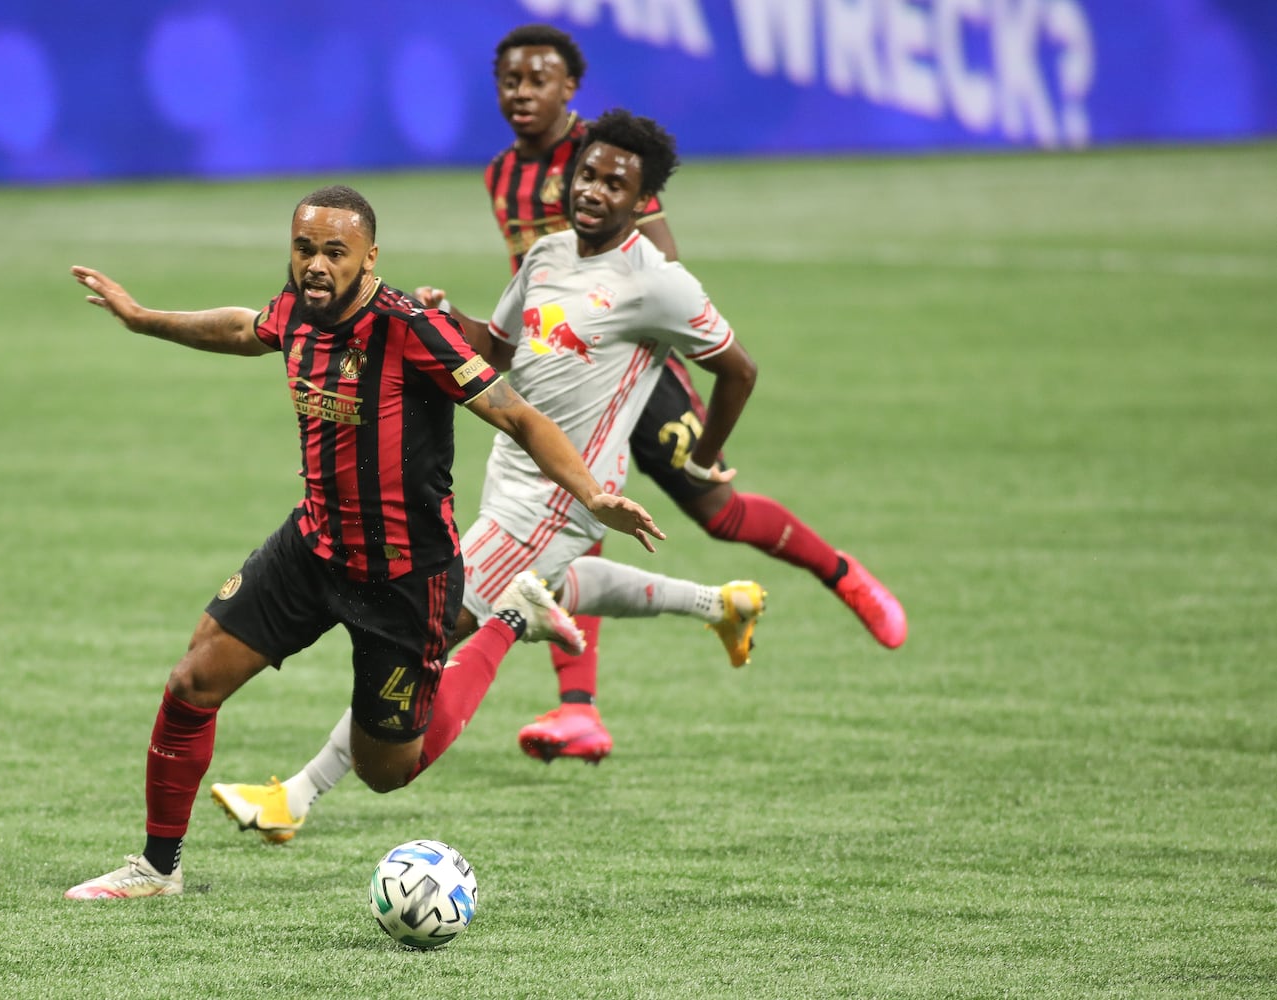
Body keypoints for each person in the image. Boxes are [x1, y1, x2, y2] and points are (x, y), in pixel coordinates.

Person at [62, 184, 665, 899]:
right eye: (304, 248)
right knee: (193, 680)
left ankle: (508, 621)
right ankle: (157, 869)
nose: (315, 265)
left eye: (333, 253)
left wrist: (592, 493)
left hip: (405, 578)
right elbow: (243, 328)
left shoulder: (411, 328)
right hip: (312, 547)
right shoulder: (297, 308)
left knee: (387, 772)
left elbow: (519, 418)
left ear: (369, 257)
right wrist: (142, 319)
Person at [209, 111, 772, 845]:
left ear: (643, 203)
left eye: (616, 183)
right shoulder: (544, 255)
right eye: (588, 173)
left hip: (563, 492)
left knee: (425, 635)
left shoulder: (658, 283)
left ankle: (297, 795)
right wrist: (447, 320)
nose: (594, 189)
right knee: (551, 585)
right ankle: (720, 604)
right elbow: (496, 348)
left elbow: (737, 368)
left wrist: (703, 454)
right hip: (510, 470)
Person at [488, 24, 906, 761]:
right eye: (510, 80)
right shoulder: (500, 175)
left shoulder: (605, 157)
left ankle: (841, 575)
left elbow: (659, 266)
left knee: (713, 510)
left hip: (626, 368)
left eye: (538, 80)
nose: (523, 93)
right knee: (571, 521)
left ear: (569, 91)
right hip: (557, 367)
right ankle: (577, 710)